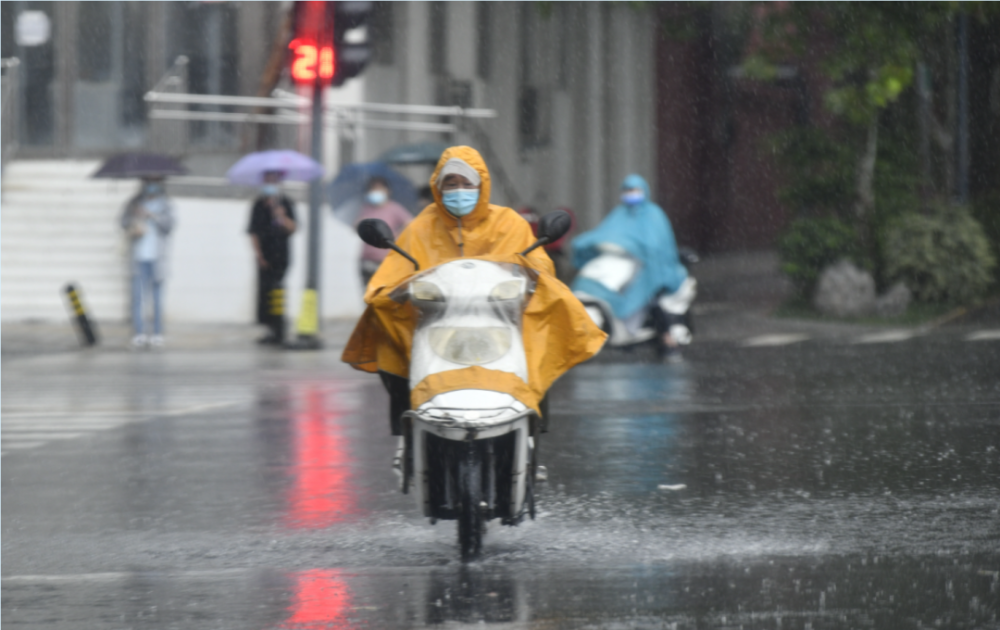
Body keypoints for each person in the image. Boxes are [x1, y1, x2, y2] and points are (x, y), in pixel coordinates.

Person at [343, 146, 606, 439]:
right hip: (436, 327)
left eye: (467, 183)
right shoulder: (419, 230)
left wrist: (527, 279)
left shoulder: (510, 225)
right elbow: (388, 279)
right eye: (451, 183)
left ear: (482, 185)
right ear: (437, 187)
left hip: (500, 324)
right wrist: (395, 294)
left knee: (539, 329)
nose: (459, 191)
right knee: (385, 331)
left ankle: (532, 426)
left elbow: (540, 271)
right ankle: (409, 430)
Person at [571, 173, 689, 360]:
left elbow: (659, 245)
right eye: (627, 190)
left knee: (653, 300)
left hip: (651, 268)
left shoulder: (654, 214)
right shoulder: (619, 214)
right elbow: (605, 234)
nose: (631, 194)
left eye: (635, 190)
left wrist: (641, 252)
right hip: (622, 265)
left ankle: (667, 338)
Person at [120, 177, 175, 349]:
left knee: (157, 299)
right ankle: (139, 333)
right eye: (147, 183)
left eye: (154, 183)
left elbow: (169, 226)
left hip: (157, 259)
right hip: (138, 258)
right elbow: (122, 222)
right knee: (137, 298)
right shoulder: (134, 203)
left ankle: (157, 333)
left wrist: (152, 216)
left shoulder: (166, 205)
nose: (150, 187)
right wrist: (134, 218)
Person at [247, 170, 297, 345]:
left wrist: (281, 216)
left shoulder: (286, 203)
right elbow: (253, 232)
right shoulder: (258, 205)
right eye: (267, 181)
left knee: (278, 290)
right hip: (264, 256)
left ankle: (280, 327)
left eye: (273, 181)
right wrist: (259, 255)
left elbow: (293, 228)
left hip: (281, 255)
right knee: (264, 293)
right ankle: (269, 328)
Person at [355, 176, 413, 289]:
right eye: (373, 189)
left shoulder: (394, 208)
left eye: (379, 188)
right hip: (367, 259)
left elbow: (410, 223)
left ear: (388, 190)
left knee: (386, 293)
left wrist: (396, 235)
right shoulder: (366, 208)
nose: (376, 191)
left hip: (388, 259)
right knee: (368, 293)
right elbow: (357, 226)